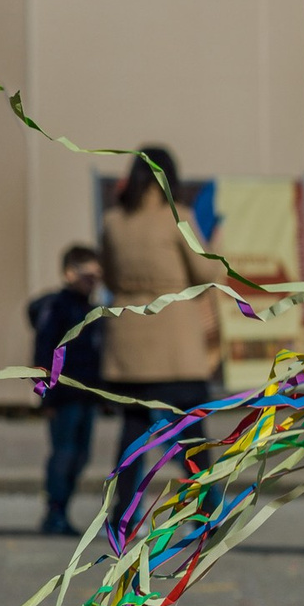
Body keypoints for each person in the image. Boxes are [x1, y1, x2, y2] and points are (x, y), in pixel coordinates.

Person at [96, 148, 226, 516]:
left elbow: (107, 274)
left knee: (132, 434)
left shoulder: (113, 222)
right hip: (174, 343)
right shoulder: (177, 218)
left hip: (129, 344)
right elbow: (205, 273)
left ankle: (122, 512)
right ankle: (207, 509)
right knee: (190, 436)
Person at [27, 242, 104, 534]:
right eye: (87, 277)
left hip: (86, 394)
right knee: (64, 453)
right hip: (62, 396)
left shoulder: (92, 310)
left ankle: (62, 508)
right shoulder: (56, 308)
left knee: (81, 455)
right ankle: (54, 512)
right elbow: (43, 351)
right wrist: (44, 393)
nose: (92, 283)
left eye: (97, 278)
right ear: (69, 274)